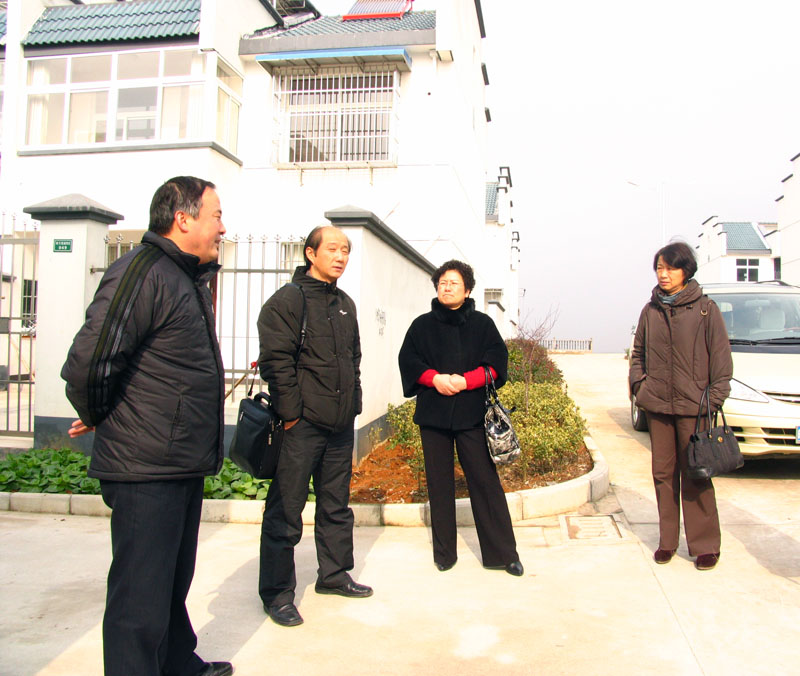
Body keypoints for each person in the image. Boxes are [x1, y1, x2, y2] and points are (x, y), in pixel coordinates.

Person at [61, 177, 232, 676]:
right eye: (216, 215)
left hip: (178, 461)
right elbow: (89, 363)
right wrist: (99, 413)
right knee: (140, 596)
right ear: (183, 219)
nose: (223, 227)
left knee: (170, 583)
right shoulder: (141, 272)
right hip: (146, 466)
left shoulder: (184, 277)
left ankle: (176, 663)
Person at [257, 224, 371, 627]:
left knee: (336, 505)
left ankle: (334, 575)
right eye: (333, 249)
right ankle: (277, 594)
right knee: (286, 510)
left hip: (339, 427)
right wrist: (292, 414)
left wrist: (353, 406)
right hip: (301, 427)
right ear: (311, 253)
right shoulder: (288, 300)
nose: (340, 257)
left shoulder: (345, 304)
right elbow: (276, 361)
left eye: (346, 251)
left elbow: (353, 359)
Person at [398, 260, 523, 576]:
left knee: (485, 482)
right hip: (433, 415)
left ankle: (503, 554)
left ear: (467, 290)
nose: (447, 287)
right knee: (439, 484)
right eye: (442, 282)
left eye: (453, 283)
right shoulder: (421, 326)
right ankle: (445, 553)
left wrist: (467, 381)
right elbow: (408, 361)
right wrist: (434, 379)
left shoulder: (483, 324)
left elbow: (497, 364)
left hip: (472, 414)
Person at [629, 241, 733, 571]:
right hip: (658, 406)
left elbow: (721, 360)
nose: (664, 274)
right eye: (659, 268)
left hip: (694, 408)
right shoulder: (650, 311)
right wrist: (640, 388)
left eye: (670, 268)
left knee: (696, 474)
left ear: (686, 270)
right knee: (663, 475)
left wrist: (712, 399)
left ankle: (705, 545)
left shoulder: (706, 310)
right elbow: (638, 354)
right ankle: (668, 541)